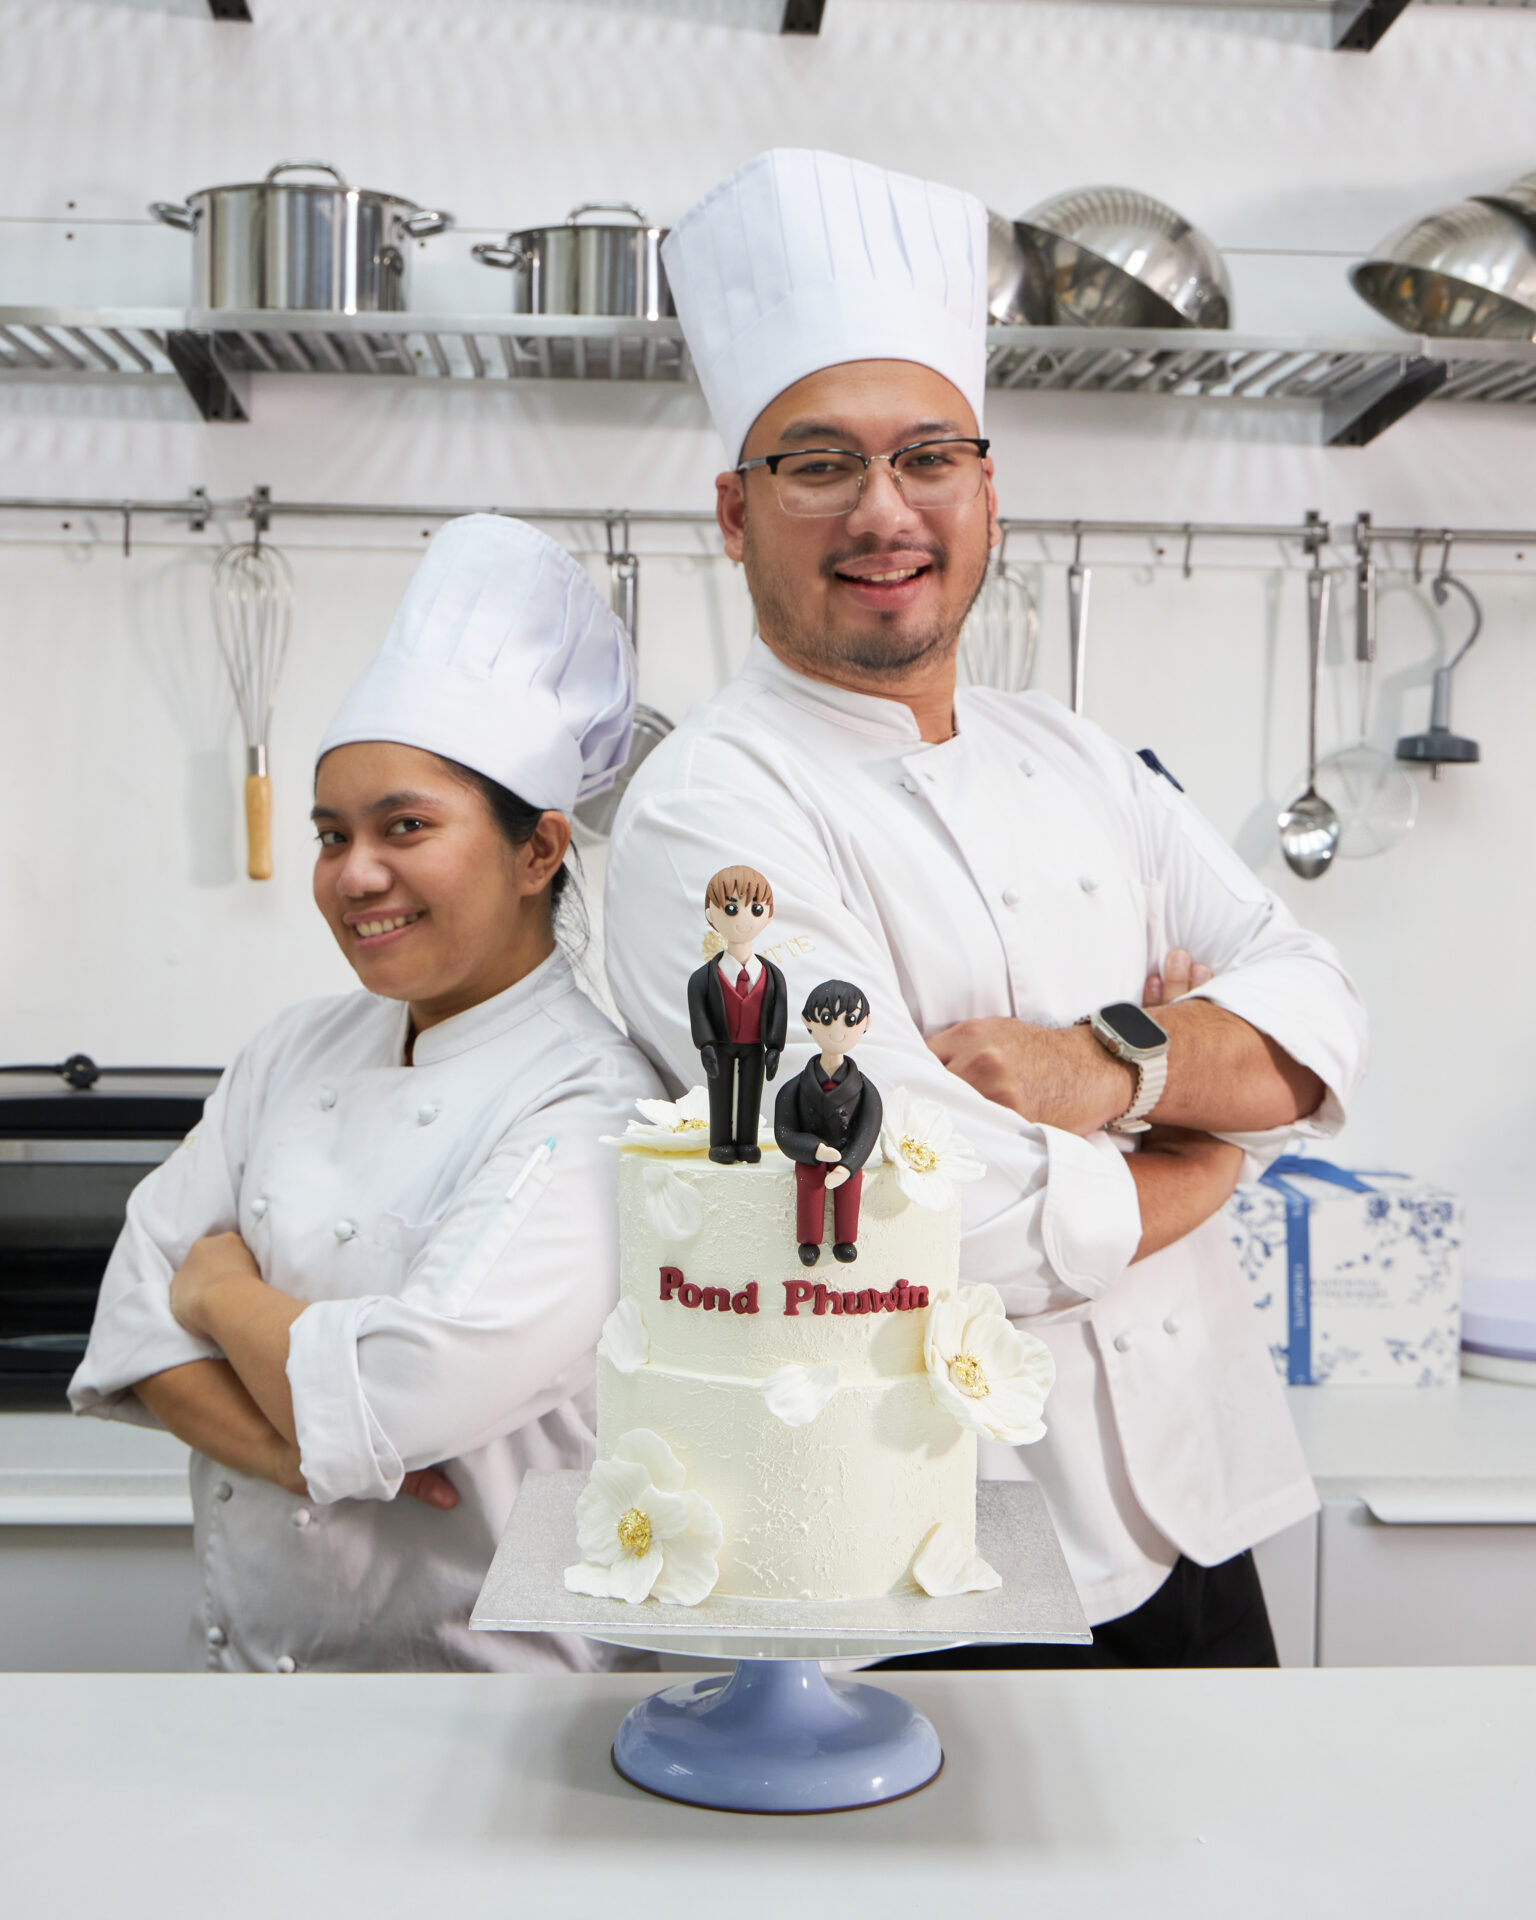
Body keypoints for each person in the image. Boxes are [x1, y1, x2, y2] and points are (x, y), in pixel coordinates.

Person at [604, 150, 1368, 1667]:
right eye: (818, 463)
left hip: (1197, 1512)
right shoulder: (712, 807)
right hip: (928, 1550)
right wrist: (1213, 1154)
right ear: (732, 511)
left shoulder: (1077, 753)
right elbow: (896, 1203)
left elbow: (1323, 1012)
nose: (884, 510)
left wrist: (1108, 1073)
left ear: (987, 486)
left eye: (928, 455)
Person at [70, 515, 663, 1673]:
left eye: (406, 827)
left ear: (540, 851)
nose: (355, 875)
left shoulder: (594, 1105)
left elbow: (402, 1395)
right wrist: (302, 1452)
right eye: (332, 834)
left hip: (498, 1708)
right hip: (249, 1683)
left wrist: (217, 1286)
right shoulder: (295, 1047)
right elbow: (135, 1326)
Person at [774, 979, 882, 1266]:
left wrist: (848, 1164)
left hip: (846, 1154)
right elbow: (784, 1132)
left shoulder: (866, 1090)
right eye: (825, 1020)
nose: (837, 1032)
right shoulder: (793, 1088)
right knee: (809, 1183)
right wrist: (814, 1149)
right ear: (808, 1022)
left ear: (866, 1023)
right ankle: (809, 1241)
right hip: (813, 1156)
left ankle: (845, 1240)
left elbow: (868, 1131)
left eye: (849, 1020)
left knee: (850, 1185)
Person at [687, 864, 788, 1164]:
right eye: (731, 908)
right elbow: (699, 1012)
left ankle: (747, 1140)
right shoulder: (702, 978)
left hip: (755, 1047)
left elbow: (779, 1010)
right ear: (711, 915)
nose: (744, 919)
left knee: (751, 1094)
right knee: (719, 1093)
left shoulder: (772, 976)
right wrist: (705, 1044)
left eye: (755, 908)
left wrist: (775, 1047)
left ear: (767, 914)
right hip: (720, 1044)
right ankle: (720, 1142)